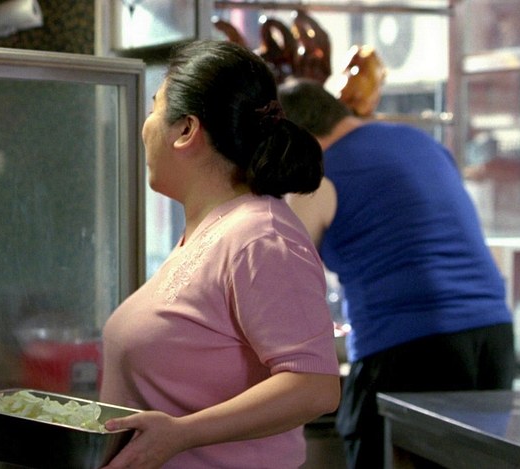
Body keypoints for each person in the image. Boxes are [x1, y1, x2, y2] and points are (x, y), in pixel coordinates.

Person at [99, 40, 341, 469]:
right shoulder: (211, 231)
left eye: (155, 108)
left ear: (186, 130)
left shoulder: (260, 237)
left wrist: (183, 434)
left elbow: (314, 386)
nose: (145, 126)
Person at [278, 78, 516, 469]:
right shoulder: (422, 142)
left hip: (408, 347)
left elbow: (280, 276)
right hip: (493, 338)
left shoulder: (317, 174)